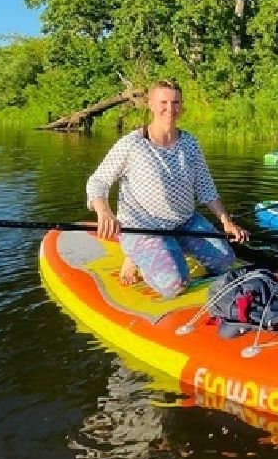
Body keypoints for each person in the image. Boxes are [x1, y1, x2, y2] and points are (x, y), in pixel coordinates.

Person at [86, 79, 249, 297]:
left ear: (181, 106)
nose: (170, 108)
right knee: (176, 285)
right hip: (143, 227)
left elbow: (205, 186)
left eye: (175, 102)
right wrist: (104, 212)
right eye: (163, 102)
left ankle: (171, 249)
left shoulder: (190, 143)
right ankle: (134, 256)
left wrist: (226, 222)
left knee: (225, 261)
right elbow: (98, 181)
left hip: (185, 222)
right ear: (151, 105)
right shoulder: (132, 144)